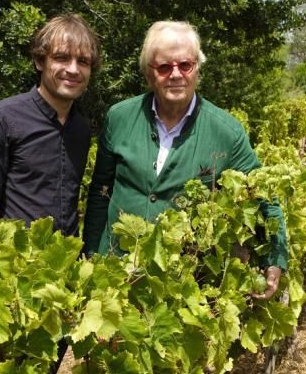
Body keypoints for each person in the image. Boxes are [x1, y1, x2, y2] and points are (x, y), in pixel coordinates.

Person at [82, 20, 287, 299]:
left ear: (197, 69)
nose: (176, 75)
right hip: (117, 272)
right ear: (148, 74)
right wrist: (92, 253)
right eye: (164, 67)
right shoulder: (119, 118)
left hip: (186, 284)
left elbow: (265, 196)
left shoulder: (226, 132)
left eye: (185, 65)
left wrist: (275, 258)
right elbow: (100, 192)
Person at [0, 13, 100, 237]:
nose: (73, 69)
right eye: (61, 58)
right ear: (40, 61)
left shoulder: (80, 129)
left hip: (68, 265)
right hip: (15, 265)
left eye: (83, 61)